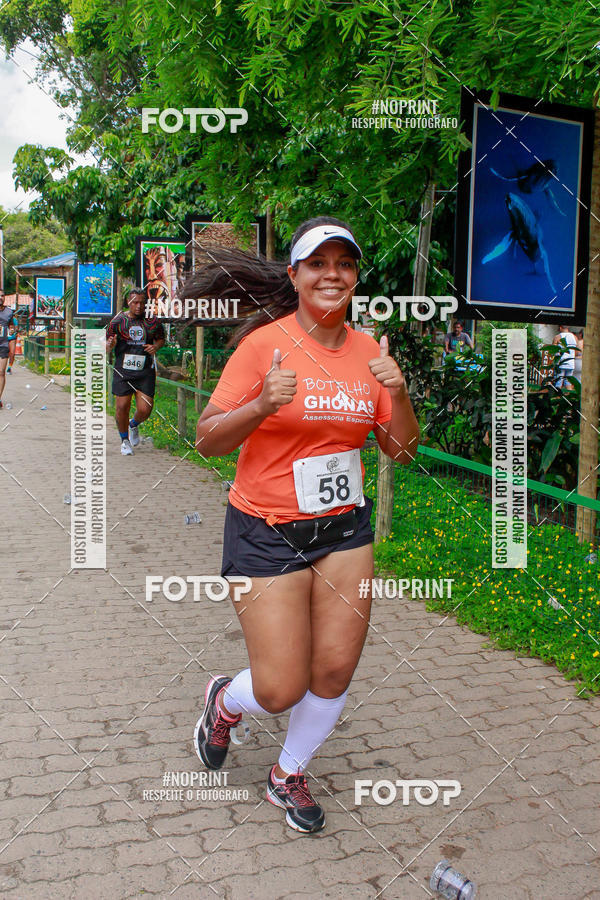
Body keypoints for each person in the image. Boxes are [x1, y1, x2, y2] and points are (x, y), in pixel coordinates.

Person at [184, 216, 420, 833]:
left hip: (343, 529)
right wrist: (261, 404)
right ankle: (224, 701)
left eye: (344, 264)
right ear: (295, 275)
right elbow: (207, 439)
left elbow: (401, 451)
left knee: (335, 668)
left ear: (355, 277)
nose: (332, 274)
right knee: (281, 686)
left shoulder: (372, 353)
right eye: (318, 263)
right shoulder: (265, 345)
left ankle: (287, 774)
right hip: (266, 528)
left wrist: (402, 392)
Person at [105, 287, 165, 454]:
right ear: (128, 303)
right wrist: (109, 345)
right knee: (122, 406)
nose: (138, 306)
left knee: (145, 409)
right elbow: (106, 344)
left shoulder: (152, 321)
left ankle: (133, 425)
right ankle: (124, 441)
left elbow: (161, 339)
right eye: (135, 302)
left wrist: (155, 347)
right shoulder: (118, 321)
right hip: (123, 371)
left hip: (145, 371)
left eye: (141, 303)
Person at [0, 292, 18, 409]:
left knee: (1, 372)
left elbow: (13, 326)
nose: (0, 298)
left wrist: (13, 330)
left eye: (2, 296)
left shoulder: (9, 312)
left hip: (3, 345)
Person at [552, 323, 577, 390]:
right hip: (571, 363)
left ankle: (557, 397)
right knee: (568, 382)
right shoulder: (574, 337)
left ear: (560, 327)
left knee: (558, 382)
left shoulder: (558, 337)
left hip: (561, 363)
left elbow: (553, 350)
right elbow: (576, 350)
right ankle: (569, 397)